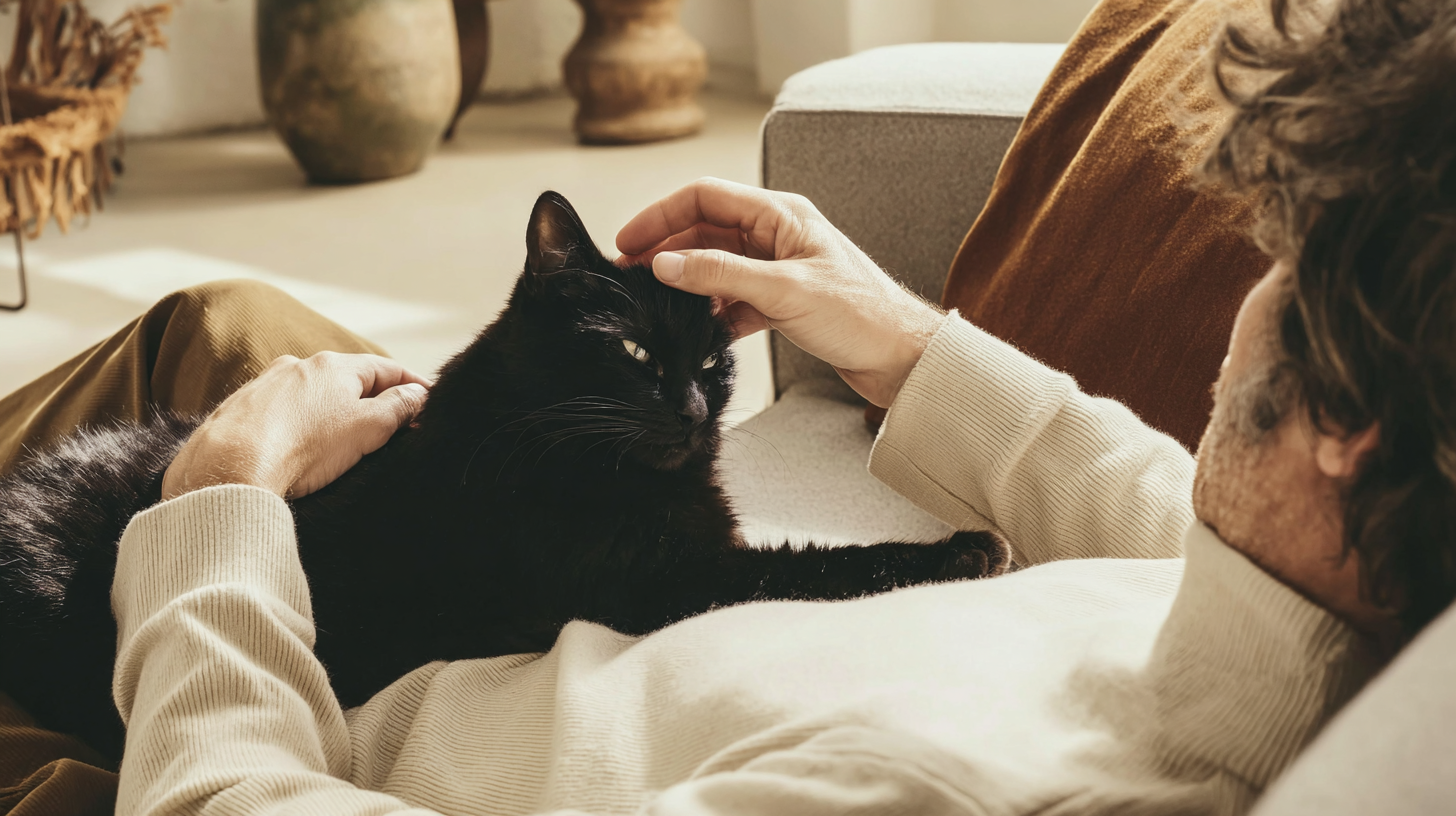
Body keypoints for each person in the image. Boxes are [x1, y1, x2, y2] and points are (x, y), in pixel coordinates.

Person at [3, 0, 1449, 812]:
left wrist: (220, 508)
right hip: (461, 546)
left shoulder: (956, 791)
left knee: (179, 398)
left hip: (242, 711)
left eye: (1287, 262)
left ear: (1349, 428)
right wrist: (888, 332)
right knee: (224, 321)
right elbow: (1153, 503)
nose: (1250, 290)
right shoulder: (1339, 621)